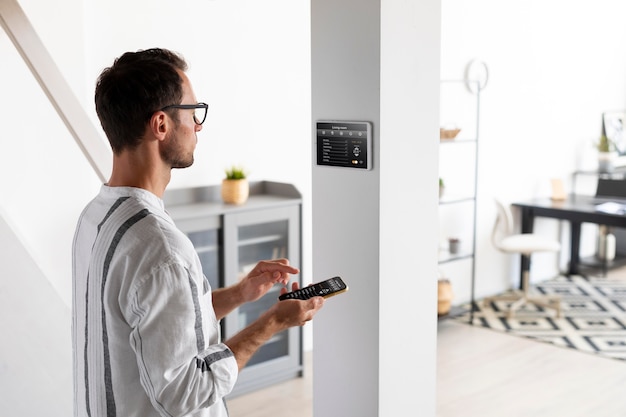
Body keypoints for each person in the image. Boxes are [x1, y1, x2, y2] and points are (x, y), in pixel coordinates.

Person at [71, 48, 324, 417]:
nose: (199, 125)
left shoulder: (95, 217)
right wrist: (273, 321)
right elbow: (186, 392)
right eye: (193, 112)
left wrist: (240, 293)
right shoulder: (160, 247)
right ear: (161, 125)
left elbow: (151, 325)